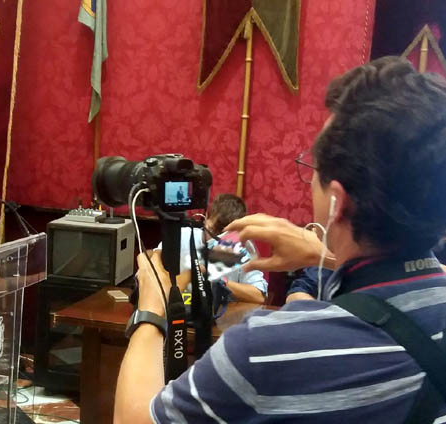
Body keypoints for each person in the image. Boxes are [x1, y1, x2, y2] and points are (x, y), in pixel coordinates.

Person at [114, 56, 446, 422]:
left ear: (337, 202)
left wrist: (152, 309)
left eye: (314, 166)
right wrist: (324, 254)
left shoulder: (264, 349)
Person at [159, 193, 267, 304]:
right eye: (213, 231)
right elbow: (153, 272)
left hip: (222, 312)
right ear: (205, 218)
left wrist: (219, 282)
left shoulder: (243, 247)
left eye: (225, 237)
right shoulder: (180, 237)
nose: (216, 242)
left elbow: (259, 296)